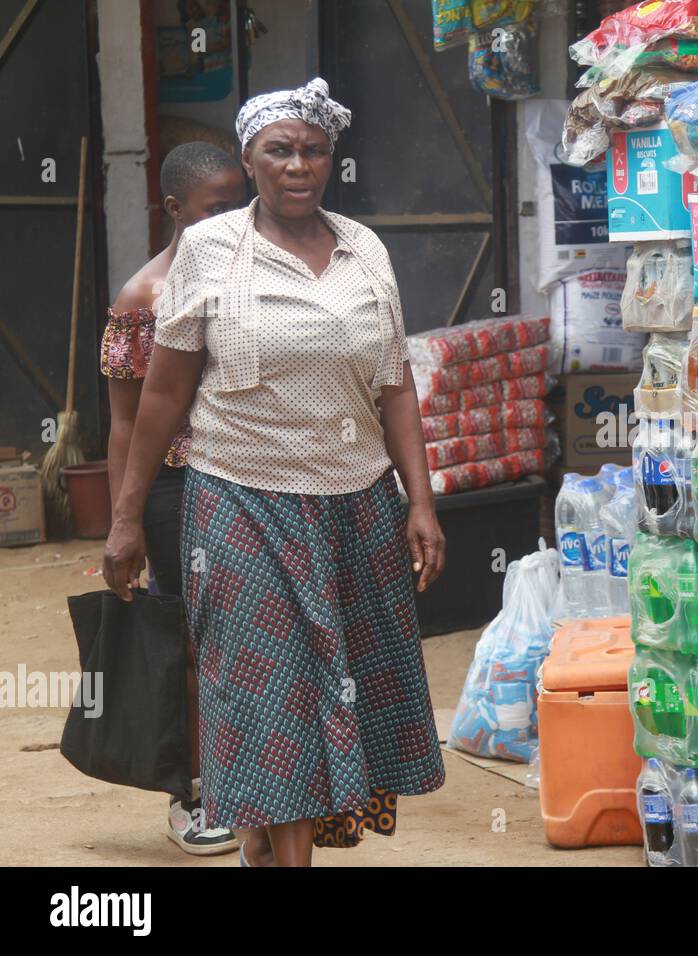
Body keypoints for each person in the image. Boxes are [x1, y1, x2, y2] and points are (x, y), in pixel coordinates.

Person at [103, 78, 447, 867]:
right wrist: (125, 520)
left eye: (314, 150)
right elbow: (161, 392)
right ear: (250, 161)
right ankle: (286, 856)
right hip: (241, 504)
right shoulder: (208, 249)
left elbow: (395, 385)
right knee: (272, 688)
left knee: (344, 684)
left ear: (332, 159)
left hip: (356, 504)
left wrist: (419, 502)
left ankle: (263, 830)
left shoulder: (366, 251)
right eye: (279, 151)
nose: (299, 165)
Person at [101, 141, 246, 855]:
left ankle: (264, 780)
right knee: (191, 634)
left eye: (238, 203)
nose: (234, 218)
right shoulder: (143, 299)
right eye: (217, 207)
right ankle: (195, 791)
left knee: (255, 629)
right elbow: (127, 423)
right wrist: (121, 523)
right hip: (176, 484)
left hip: (253, 474)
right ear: (173, 209)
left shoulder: (259, 272)